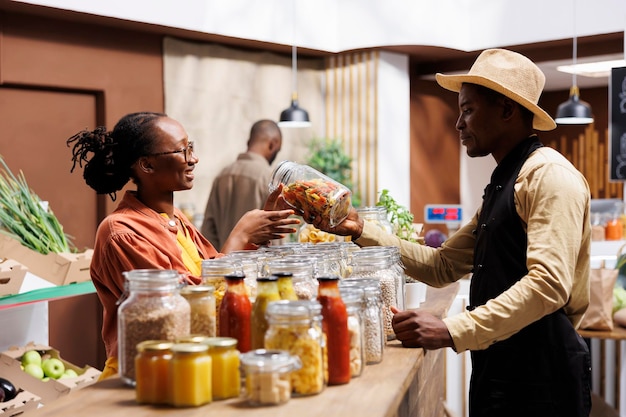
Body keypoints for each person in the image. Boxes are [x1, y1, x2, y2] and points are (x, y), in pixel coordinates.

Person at [308, 49, 592, 417]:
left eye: (468, 110)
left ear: (507, 111)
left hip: (543, 380)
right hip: (501, 371)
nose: (458, 123)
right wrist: (360, 229)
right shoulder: (507, 181)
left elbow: (548, 286)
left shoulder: (549, 177)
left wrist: (452, 329)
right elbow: (442, 265)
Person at [66, 112, 298, 379]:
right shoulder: (121, 232)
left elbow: (218, 285)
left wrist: (257, 233)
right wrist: (238, 236)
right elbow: (183, 310)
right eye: (182, 150)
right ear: (147, 165)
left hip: (192, 364)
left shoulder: (179, 224)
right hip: (146, 374)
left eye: (191, 147)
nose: (193, 159)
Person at [201, 119, 283, 250]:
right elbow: (277, 235)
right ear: (272, 145)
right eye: (277, 151)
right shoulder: (270, 178)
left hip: (225, 264)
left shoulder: (222, 174)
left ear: (248, 142)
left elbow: (208, 232)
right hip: (260, 267)